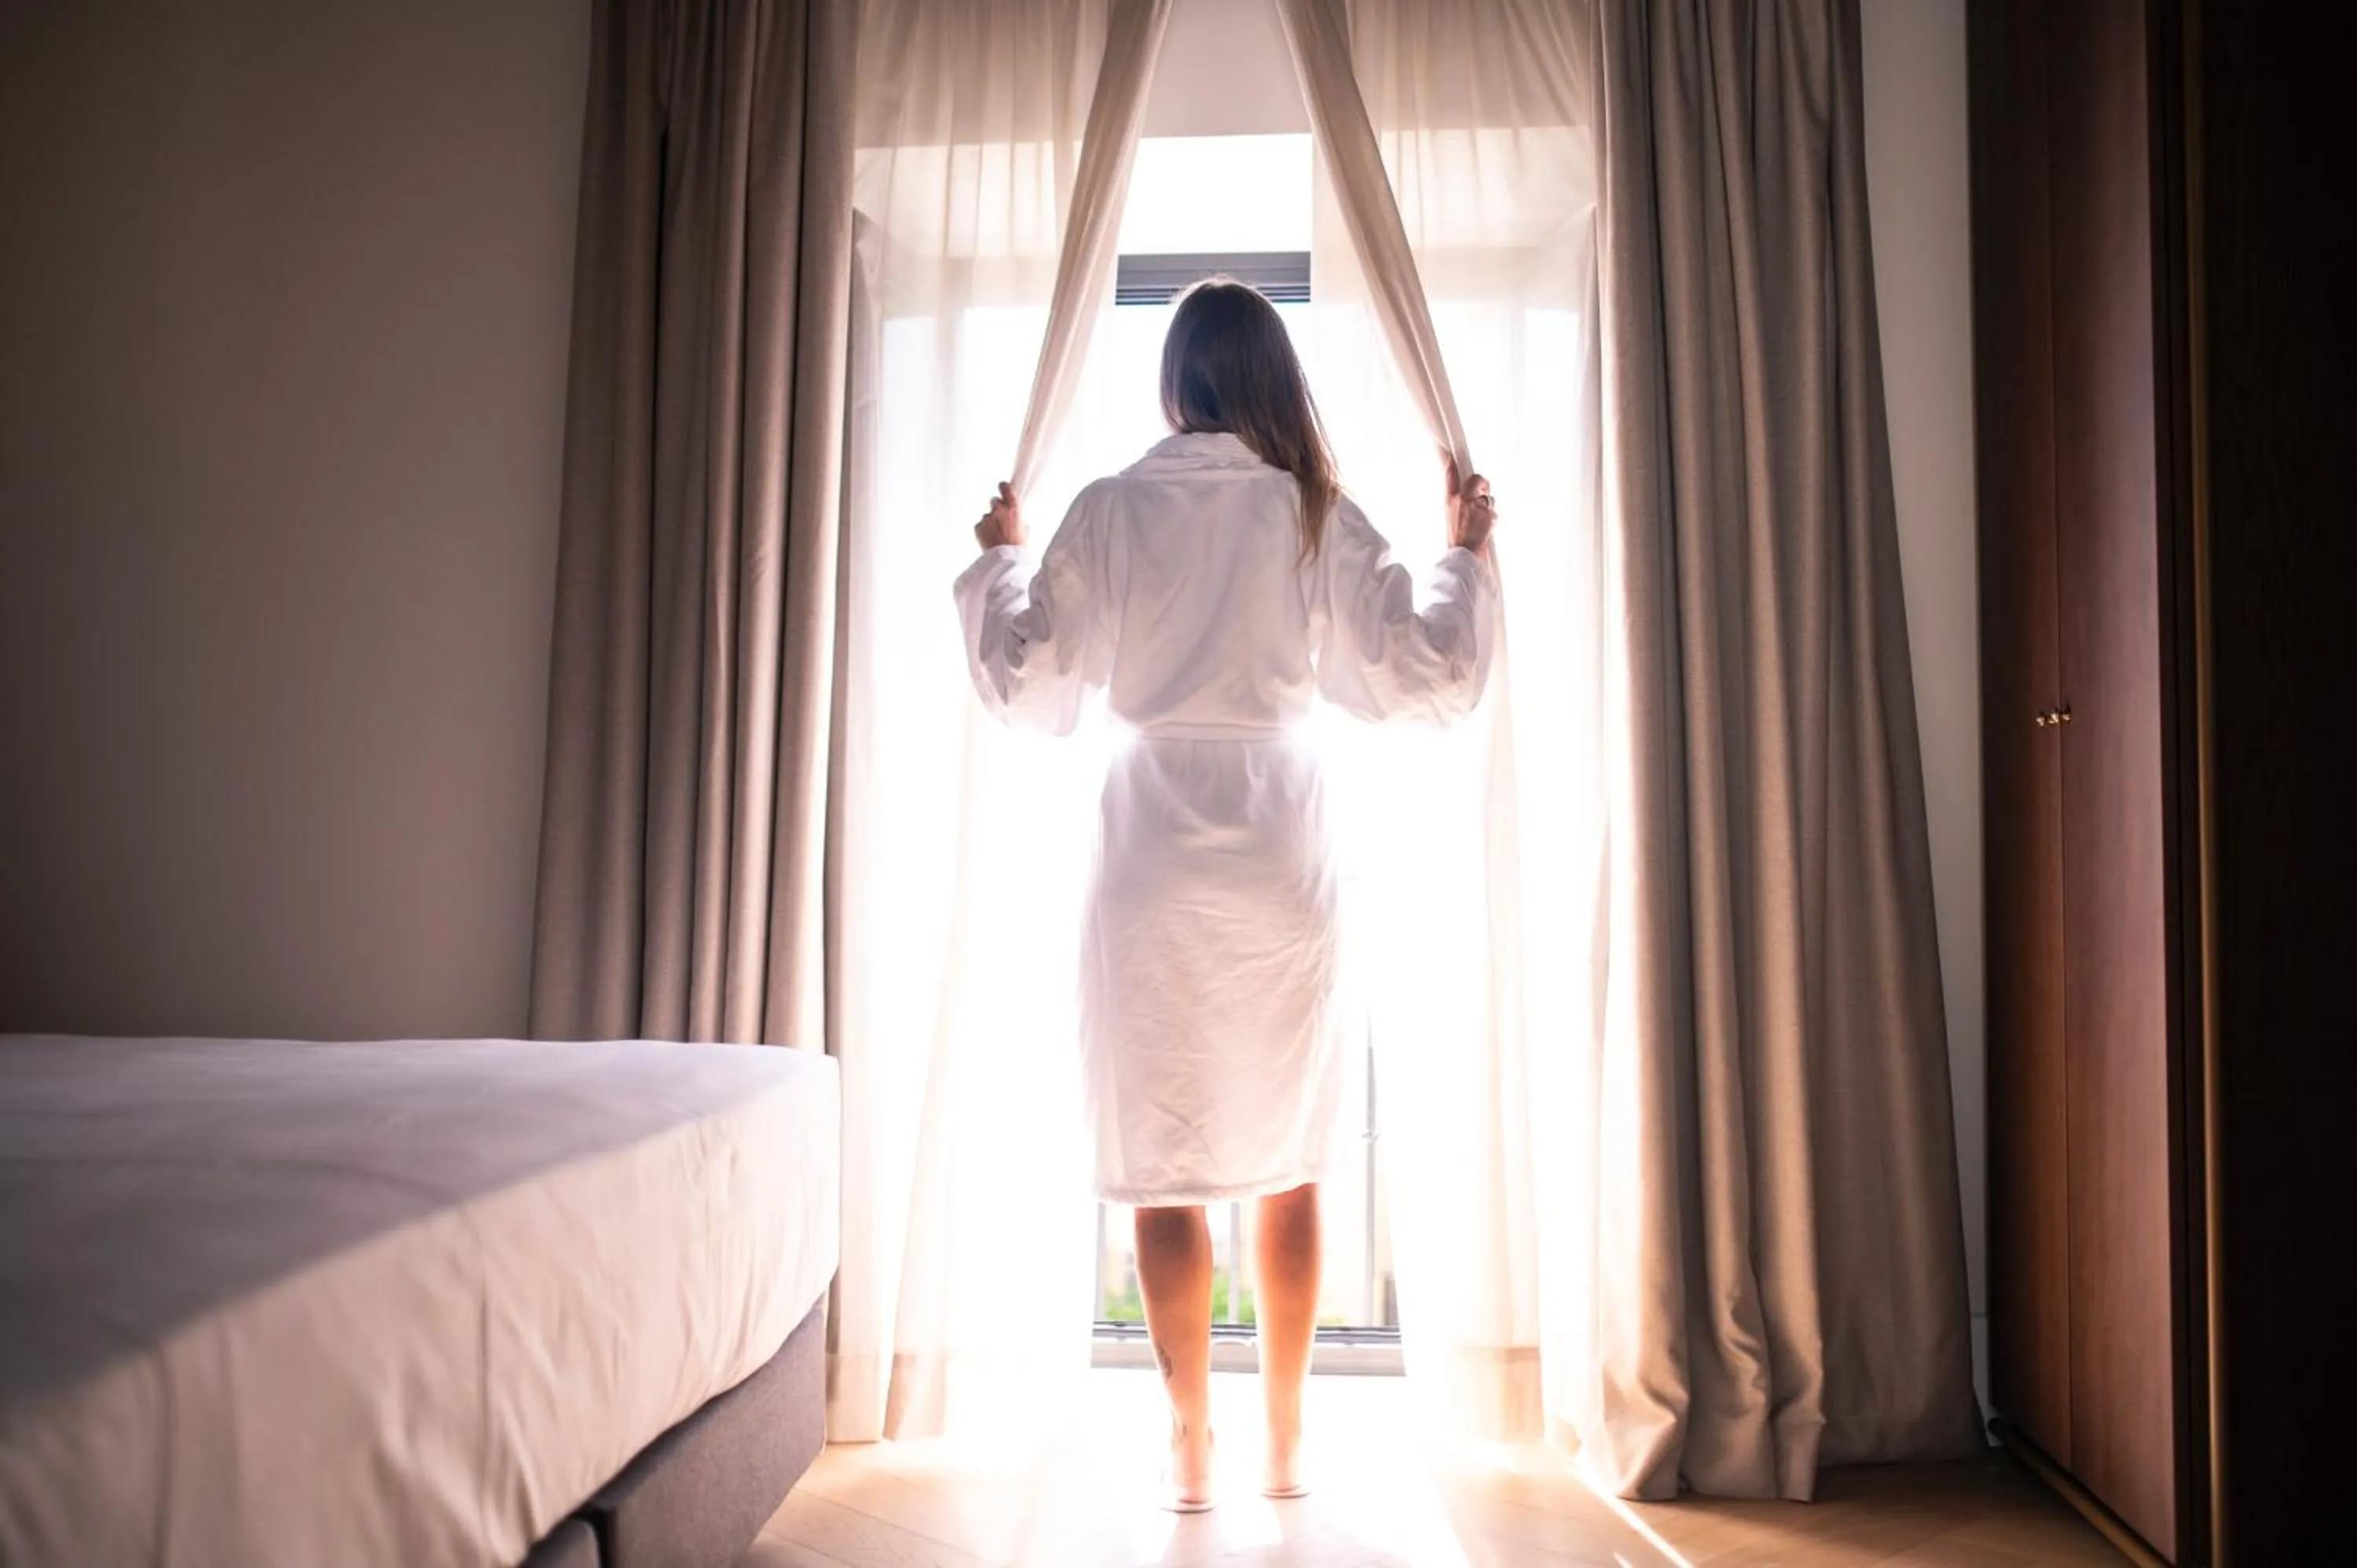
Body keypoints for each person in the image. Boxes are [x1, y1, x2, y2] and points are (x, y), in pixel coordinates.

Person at [952, 279, 1497, 1511]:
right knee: (1293, 1158)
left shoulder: (1110, 509)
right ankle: (1290, 1439)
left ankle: (1193, 1440)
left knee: (1166, 1160)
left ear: (1175, 378)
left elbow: (1031, 682)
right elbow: (1425, 673)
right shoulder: (1313, 512)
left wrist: (999, 565)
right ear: (1270, 378)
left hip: (1148, 853)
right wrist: (1462, 557)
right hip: (1275, 851)